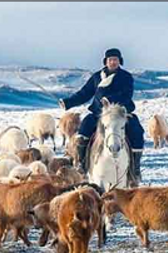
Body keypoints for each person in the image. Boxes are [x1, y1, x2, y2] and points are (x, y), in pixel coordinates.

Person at [59, 48, 144, 185]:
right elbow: (85, 93)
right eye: (110, 59)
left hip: (120, 113)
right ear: (106, 61)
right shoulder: (97, 77)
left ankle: (135, 170)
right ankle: (82, 165)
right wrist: (68, 102)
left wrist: (111, 100)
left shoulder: (126, 77)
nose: (113, 62)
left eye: (115, 59)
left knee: (137, 131)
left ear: (119, 61)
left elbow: (127, 94)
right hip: (99, 114)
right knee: (83, 131)